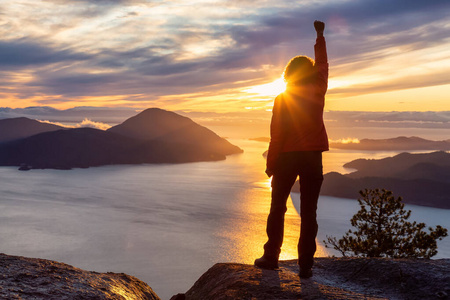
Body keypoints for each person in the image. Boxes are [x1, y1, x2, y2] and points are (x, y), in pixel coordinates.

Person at [254, 20, 329, 279]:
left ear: (288, 74)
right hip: (312, 158)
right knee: (309, 212)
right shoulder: (319, 89)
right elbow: (323, 65)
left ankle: (271, 257)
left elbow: (277, 135)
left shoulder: (282, 98)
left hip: (286, 157)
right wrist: (320, 37)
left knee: (277, 208)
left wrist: (270, 164)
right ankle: (305, 266)